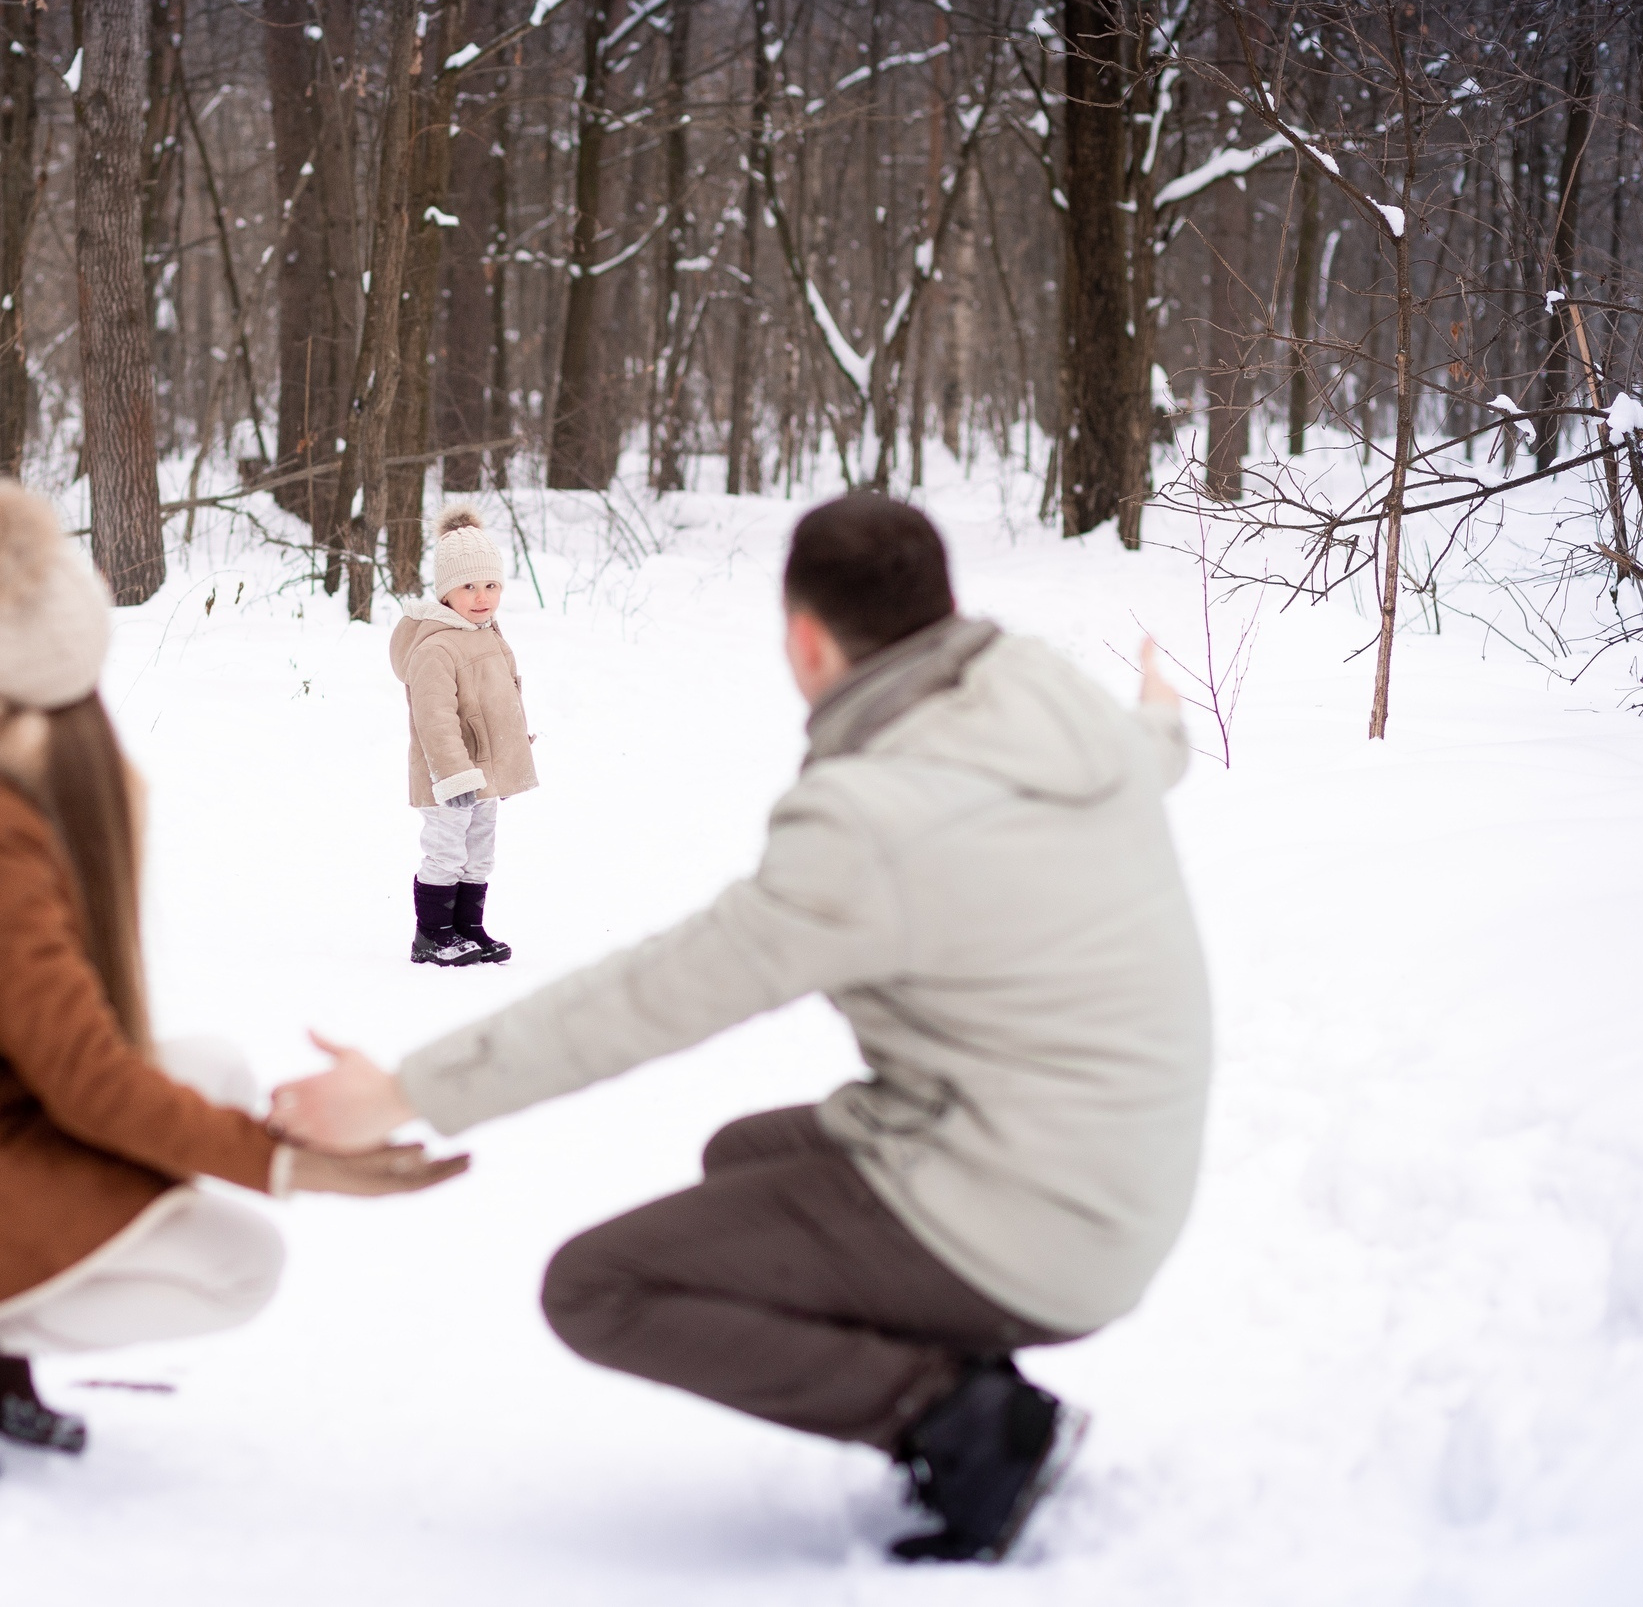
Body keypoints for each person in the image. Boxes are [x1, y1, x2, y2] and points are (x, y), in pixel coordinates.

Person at [274, 493, 1209, 1562]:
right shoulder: (1046, 699)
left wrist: (404, 1090)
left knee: (599, 1288)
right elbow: (1152, 751)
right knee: (745, 1157)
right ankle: (964, 1372)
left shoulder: (870, 814)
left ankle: (968, 1425)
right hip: (1120, 1168)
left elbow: (652, 994)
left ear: (805, 640)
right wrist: (1158, 709)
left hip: (1047, 1219)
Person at [0, 483, 465, 1477]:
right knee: (240, 1265)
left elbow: (72, 1062)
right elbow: (87, 1082)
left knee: (215, 1068)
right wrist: (290, 1165)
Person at [391, 507, 537, 966]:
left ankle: (468, 928)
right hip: (449, 778)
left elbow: (499, 695)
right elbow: (434, 720)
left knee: (480, 852)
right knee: (446, 850)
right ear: (446, 591)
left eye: (491, 585)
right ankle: (432, 934)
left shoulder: (487, 632)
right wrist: (453, 775)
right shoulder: (437, 646)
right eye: (469, 586)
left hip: (485, 771)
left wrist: (510, 740)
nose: (481, 597)